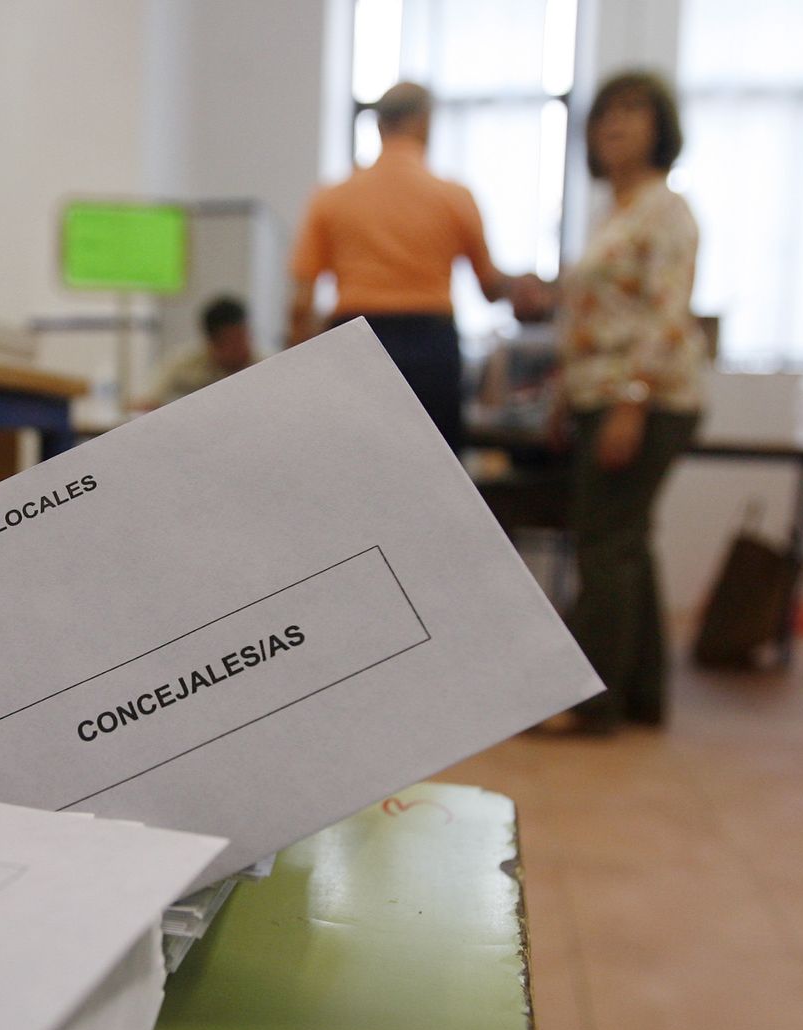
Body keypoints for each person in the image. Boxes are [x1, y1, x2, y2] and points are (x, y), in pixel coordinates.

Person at [535, 70, 707, 736]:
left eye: (633, 110)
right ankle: (642, 695)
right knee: (627, 544)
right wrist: (563, 395)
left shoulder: (666, 208)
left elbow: (668, 314)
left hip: (644, 396)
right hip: (597, 393)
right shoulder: (616, 212)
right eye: (607, 111)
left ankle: (588, 701)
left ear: (661, 127)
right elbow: (592, 316)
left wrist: (632, 399)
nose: (616, 122)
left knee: (604, 546)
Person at [287, 81, 544, 455]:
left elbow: (301, 302)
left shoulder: (331, 198)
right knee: (432, 468)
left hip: (354, 342)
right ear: (425, 124)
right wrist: (522, 286)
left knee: (352, 463)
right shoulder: (453, 197)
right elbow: (489, 288)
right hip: (430, 346)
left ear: (378, 127)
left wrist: (299, 374)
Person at [134, 295, 258, 411]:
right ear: (211, 343)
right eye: (231, 342)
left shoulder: (262, 365)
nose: (241, 348)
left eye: (244, 338)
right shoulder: (184, 365)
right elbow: (147, 403)